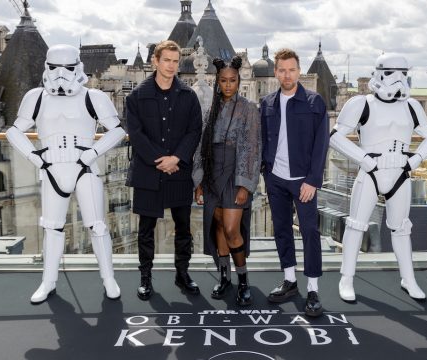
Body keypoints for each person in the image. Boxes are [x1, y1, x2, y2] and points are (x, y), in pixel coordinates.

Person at [6, 44, 126, 304]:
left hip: (83, 168)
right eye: (55, 67)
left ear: (77, 67)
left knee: (98, 225)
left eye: (68, 67)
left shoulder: (93, 97)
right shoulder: (36, 97)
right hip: (51, 169)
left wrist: (91, 153)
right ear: (47, 67)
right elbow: (14, 131)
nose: (61, 74)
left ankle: (109, 279)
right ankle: (48, 281)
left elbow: (117, 130)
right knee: (52, 228)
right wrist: (35, 157)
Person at [330, 53, 427, 302]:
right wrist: (365, 160)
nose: (399, 79)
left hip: (400, 172)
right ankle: (346, 278)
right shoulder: (361, 104)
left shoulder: (411, 106)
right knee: (356, 224)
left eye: (404, 73)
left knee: (401, 228)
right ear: (380, 73)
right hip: (371, 171)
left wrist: (414, 160)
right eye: (393, 72)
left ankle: (409, 278)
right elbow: (335, 136)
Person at [125, 40, 203, 300]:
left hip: (178, 171)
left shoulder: (189, 96)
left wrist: (176, 158)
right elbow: (135, 134)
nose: (171, 66)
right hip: (149, 172)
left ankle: (183, 274)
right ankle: (145, 278)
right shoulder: (136, 96)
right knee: (145, 230)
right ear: (155, 61)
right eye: (166, 60)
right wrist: (162, 159)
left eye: (175, 61)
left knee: (184, 228)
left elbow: (194, 131)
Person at [260, 48, 329, 317]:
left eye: (291, 69)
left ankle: (313, 289)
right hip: (276, 179)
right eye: (282, 70)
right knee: (281, 230)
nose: (287, 74)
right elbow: (265, 140)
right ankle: (289, 280)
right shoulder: (267, 103)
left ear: (298, 71)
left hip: (303, 182)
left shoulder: (314, 102)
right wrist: (267, 173)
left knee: (310, 232)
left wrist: (312, 180)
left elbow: (321, 144)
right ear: (276, 72)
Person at [193, 56, 261, 306]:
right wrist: (198, 180)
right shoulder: (211, 108)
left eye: (233, 80)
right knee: (218, 226)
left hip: (236, 171)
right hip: (212, 172)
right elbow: (201, 145)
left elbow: (252, 147)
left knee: (233, 228)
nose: (228, 85)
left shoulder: (249, 108)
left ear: (239, 80)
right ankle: (224, 278)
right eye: (223, 80)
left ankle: (243, 281)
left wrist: (245, 184)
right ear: (217, 82)